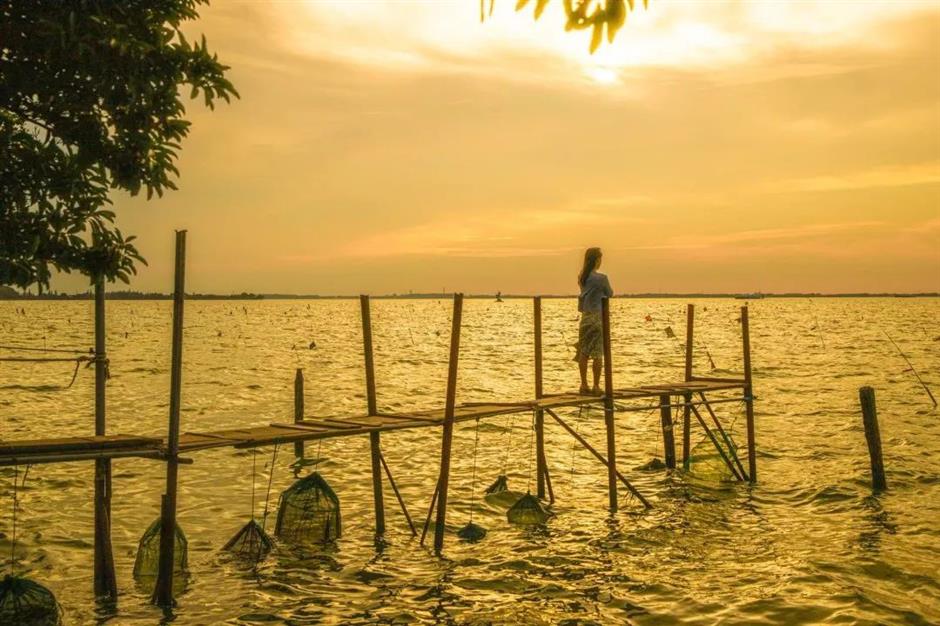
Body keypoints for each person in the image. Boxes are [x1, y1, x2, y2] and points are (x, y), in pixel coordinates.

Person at [575, 247, 612, 395]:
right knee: (597, 353)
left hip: (585, 318)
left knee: (583, 352)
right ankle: (596, 385)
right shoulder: (601, 278)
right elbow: (610, 293)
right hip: (597, 317)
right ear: (597, 260)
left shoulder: (582, 277)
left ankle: (584, 384)